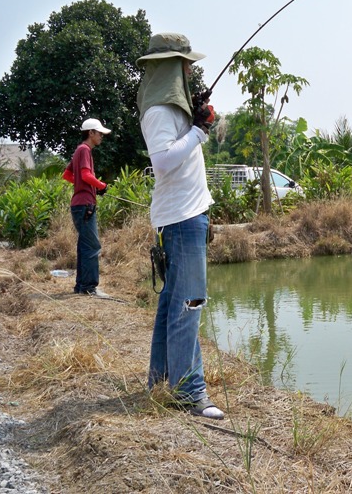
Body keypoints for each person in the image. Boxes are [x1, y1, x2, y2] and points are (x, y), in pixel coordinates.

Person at [135, 33, 224, 420]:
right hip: (182, 219)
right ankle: (189, 392)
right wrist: (198, 133)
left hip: (187, 216)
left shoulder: (174, 110)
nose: (189, 70)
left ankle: (159, 380)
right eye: (184, 64)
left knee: (174, 302)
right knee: (190, 303)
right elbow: (163, 162)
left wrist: (197, 120)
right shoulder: (158, 112)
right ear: (170, 66)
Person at [62, 118, 111, 298]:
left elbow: (68, 175)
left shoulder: (79, 150)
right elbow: (85, 174)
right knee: (92, 246)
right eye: (99, 133)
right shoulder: (85, 150)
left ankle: (82, 286)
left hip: (80, 203)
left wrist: (87, 187)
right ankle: (90, 287)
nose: (101, 137)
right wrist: (100, 186)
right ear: (90, 133)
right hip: (84, 205)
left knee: (85, 246)